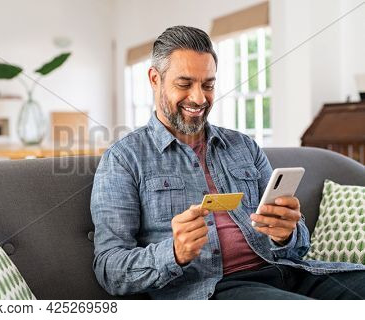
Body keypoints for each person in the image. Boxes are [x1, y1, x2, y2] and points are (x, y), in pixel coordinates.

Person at [90, 25, 365, 300]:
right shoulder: (124, 159)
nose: (199, 98)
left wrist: (287, 234)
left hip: (289, 271)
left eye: (208, 85)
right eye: (184, 84)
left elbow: (298, 246)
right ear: (154, 79)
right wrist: (173, 253)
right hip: (215, 288)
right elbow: (109, 270)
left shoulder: (244, 146)